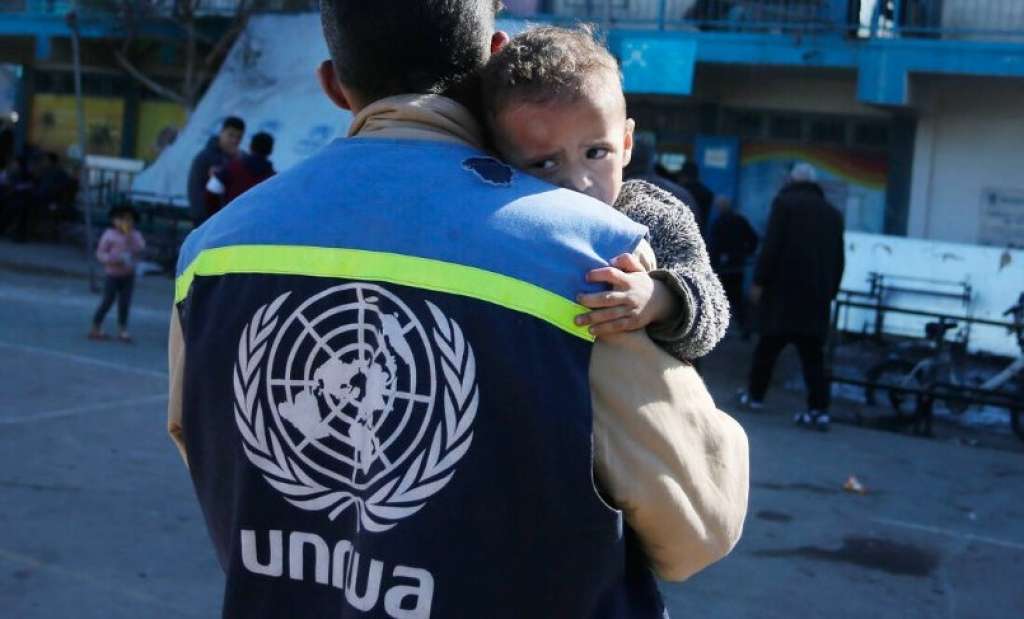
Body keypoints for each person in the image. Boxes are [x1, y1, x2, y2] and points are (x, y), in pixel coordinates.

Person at [167, 2, 748, 617]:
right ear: (493, 53)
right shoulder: (592, 256)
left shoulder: (213, 251)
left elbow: (217, 464)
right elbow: (700, 527)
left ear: (333, 84)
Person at [480, 25, 729, 362]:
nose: (577, 181)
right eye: (544, 163)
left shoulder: (654, 214)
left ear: (626, 144)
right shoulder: (499, 221)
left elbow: (713, 312)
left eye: (595, 153)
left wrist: (658, 298)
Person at [739, 163, 845, 431]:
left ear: (792, 181)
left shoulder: (784, 205)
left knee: (767, 349)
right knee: (813, 358)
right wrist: (829, 292)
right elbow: (839, 260)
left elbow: (771, 246)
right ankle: (819, 410)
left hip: (783, 296)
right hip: (816, 300)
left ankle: (755, 396)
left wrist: (759, 282)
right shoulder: (833, 214)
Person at [89, 205, 145, 343]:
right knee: (108, 300)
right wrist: (111, 260)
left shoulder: (135, 235)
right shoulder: (109, 235)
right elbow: (101, 253)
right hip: (112, 274)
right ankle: (96, 326)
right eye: (121, 219)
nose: (125, 223)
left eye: (128, 220)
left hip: (128, 275)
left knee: (124, 303)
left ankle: (122, 329)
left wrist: (130, 237)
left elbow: (140, 248)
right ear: (114, 220)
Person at [709, 195, 758, 338]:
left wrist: (713, 263)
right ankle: (744, 328)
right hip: (737, 265)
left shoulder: (718, 223)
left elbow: (714, 246)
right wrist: (745, 253)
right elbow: (753, 239)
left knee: (718, 298)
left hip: (722, 268)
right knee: (736, 298)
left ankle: (714, 331)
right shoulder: (740, 221)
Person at [186, 116, 244, 225]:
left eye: (239, 137)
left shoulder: (235, 157)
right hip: (207, 221)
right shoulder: (207, 158)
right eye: (231, 135)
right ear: (221, 132)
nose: (234, 141)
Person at [205, 131, 276, 216]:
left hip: (229, 220)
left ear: (250, 146)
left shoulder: (231, 168)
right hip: (257, 225)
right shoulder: (274, 179)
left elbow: (211, 191)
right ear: (270, 151)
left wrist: (217, 216)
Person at [677, 160, 714, 234]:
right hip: (699, 231)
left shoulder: (680, 192)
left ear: (683, 175)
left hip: (681, 231)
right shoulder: (707, 192)